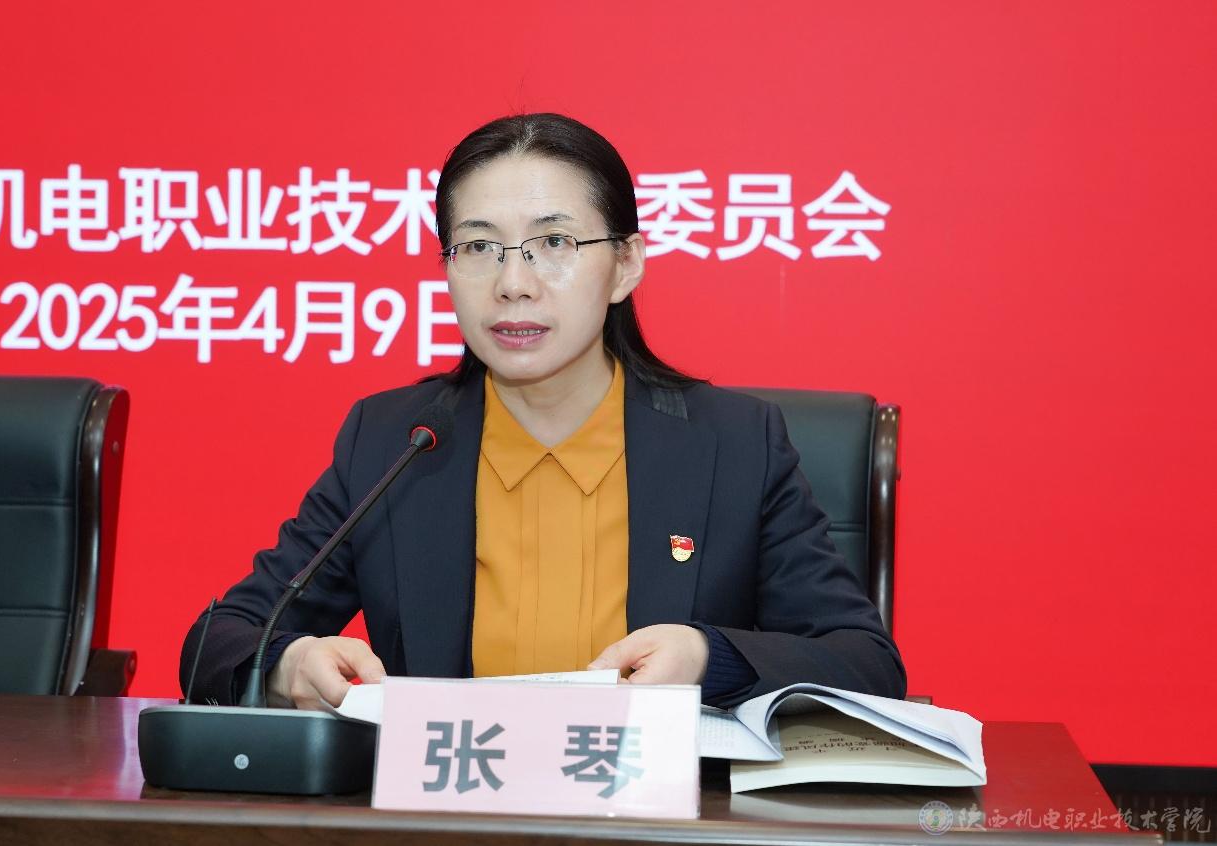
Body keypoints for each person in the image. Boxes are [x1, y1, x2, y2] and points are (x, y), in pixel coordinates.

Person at [180, 113, 904, 711]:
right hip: (446, 811)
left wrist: (708, 658)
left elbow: (865, 663)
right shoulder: (395, 441)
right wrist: (287, 664)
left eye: (553, 243)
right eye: (478, 246)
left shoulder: (735, 445)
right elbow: (219, 639)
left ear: (625, 264)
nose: (513, 283)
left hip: (661, 818)